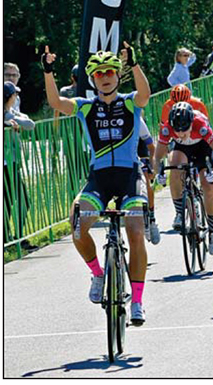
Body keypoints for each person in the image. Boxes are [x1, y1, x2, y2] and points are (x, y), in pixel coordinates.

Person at [42, 43, 151, 325]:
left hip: (129, 176)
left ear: (117, 76)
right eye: (99, 73)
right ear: (93, 79)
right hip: (100, 179)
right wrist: (48, 71)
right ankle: (98, 273)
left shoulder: (128, 102)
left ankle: (137, 301)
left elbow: (145, 95)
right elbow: (56, 103)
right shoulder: (85, 107)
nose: (105, 76)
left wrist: (135, 64)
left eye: (110, 72)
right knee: (77, 222)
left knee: (136, 230)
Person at [154, 102, 213, 255]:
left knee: (209, 186)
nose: (181, 134)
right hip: (182, 149)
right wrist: (160, 172)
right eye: (177, 131)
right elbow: (157, 156)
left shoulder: (201, 125)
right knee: (175, 167)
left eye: (185, 130)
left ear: (192, 123)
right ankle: (179, 212)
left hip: (203, 148)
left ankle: (212, 230)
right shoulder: (167, 129)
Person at [4, 81, 35, 245]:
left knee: (16, 201)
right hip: (5, 166)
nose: (16, 96)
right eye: (14, 94)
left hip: (12, 163)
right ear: (9, 97)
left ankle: (14, 237)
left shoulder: (10, 112)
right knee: (12, 202)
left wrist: (14, 117)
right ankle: (10, 239)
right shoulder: (6, 115)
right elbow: (28, 123)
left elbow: (30, 123)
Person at [138, 117, 160, 245]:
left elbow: (151, 147)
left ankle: (151, 219)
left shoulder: (137, 120)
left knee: (145, 180)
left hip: (139, 150)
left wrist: (152, 166)